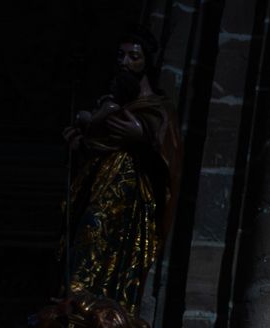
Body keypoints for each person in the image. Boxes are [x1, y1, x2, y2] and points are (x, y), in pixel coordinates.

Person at [62, 28, 181, 312]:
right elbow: (96, 145)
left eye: (133, 56)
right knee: (89, 229)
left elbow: (169, 153)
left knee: (107, 232)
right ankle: (78, 294)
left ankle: (100, 302)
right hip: (100, 181)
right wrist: (80, 144)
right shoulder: (110, 104)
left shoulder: (159, 107)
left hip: (132, 190)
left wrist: (143, 137)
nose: (125, 62)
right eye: (121, 56)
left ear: (148, 62)